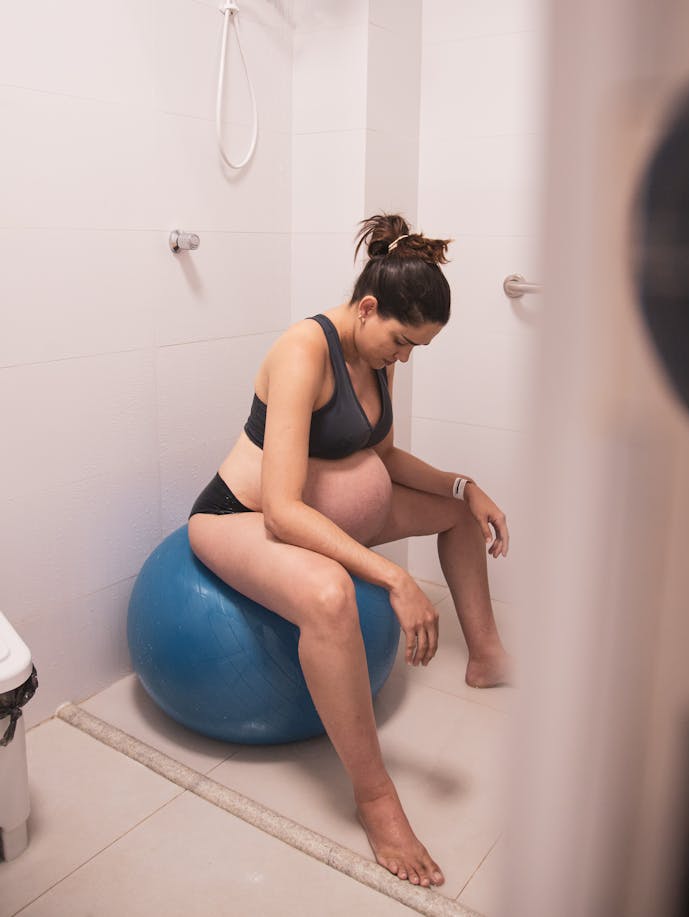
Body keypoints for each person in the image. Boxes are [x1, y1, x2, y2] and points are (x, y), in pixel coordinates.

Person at [188, 213, 511, 889]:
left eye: (417, 347)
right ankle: (376, 801)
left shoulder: (375, 354)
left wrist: (465, 484)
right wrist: (393, 575)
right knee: (332, 594)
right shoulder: (303, 349)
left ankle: (488, 655)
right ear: (367, 307)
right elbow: (280, 507)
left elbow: (383, 456)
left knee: (454, 514)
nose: (406, 357)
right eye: (401, 340)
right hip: (240, 519)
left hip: (320, 514)